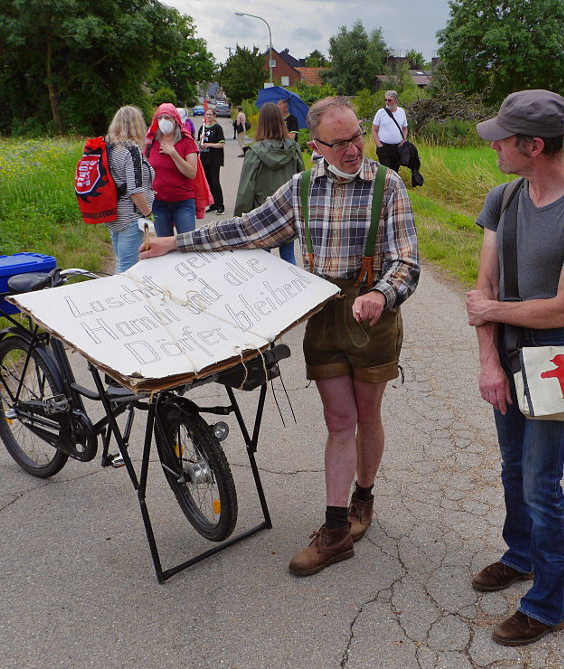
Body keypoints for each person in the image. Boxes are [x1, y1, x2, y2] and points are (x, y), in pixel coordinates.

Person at [140, 96, 420, 576]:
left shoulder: (388, 186)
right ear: (315, 146)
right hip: (325, 313)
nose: (353, 150)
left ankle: (363, 498)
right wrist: (175, 241)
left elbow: (407, 262)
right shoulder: (302, 188)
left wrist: (381, 293)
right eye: (340, 143)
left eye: (356, 137)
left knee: (366, 415)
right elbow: (247, 230)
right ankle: (334, 532)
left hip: (373, 315)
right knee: (339, 419)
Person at [465, 90, 564, 646]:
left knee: (540, 481)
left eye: (504, 138)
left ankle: (548, 604)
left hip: (555, 351)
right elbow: (483, 286)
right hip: (504, 347)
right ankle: (521, 553)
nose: (494, 146)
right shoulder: (503, 198)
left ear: (534, 145)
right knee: (511, 466)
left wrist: (493, 312)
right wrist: (489, 360)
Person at [233, 102, 304, 265]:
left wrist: (238, 219)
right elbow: (302, 181)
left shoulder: (254, 152)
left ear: (262, 123)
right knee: (288, 256)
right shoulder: (293, 148)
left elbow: (246, 189)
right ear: (281, 122)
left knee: (262, 258)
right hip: (287, 210)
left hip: (262, 212)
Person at [104, 105, 154, 273]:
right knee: (128, 269)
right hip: (130, 217)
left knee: (121, 262)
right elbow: (135, 191)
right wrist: (148, 214)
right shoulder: (131, 150)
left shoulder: (107, 147)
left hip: (112, 214)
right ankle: (122, 297)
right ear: (137, 125)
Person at [145, 103, 199, 237]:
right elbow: (144, 170)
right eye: (160, 117)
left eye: (167, 118)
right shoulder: (151, 142)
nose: (163, 121)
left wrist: (173, 153)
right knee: (164, 246)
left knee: (187, 244)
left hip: (183, 202)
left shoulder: (187, 142)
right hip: (158, 203)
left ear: (175, 120)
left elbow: (191, 173)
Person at [197, 107, 226, 214]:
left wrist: (209, 144)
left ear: (214, 116)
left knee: (215, 181)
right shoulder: (203, 128)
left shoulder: (217, 128)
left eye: (210, 114)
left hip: (215, 159)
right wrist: (200, 139)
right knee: (208, 182)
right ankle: (213, 204)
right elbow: (198, 145)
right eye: (207, 114)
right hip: (204, 158)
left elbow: (221, 144)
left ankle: (220, 205)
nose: (208, 116)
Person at [371, 90, 408, 173]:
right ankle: (384, 186)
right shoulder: (380, 112)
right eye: (386, 100)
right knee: (386, 172)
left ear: (396, 101)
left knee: (395, 172)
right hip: (384, 147)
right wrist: (379, 145)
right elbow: (374, 129)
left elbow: (405, 128)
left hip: (397, 147)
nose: (387, 102)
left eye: (389, 100)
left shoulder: (401, 112)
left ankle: (393, 186)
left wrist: (404, 140)